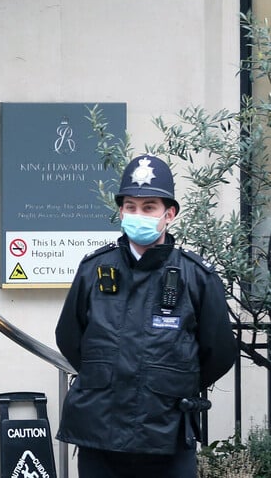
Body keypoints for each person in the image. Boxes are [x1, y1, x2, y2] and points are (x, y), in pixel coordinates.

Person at [55, 154, 238, 478]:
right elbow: (70, 339)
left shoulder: (196, 278)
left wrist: (169, 381)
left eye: (149, 207)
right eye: (131, 206)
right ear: (121, 211)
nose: (138, 214)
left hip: (166, 435)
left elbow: (219, 352)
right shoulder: (93, 271)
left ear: (169, 214)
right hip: (100, 435)